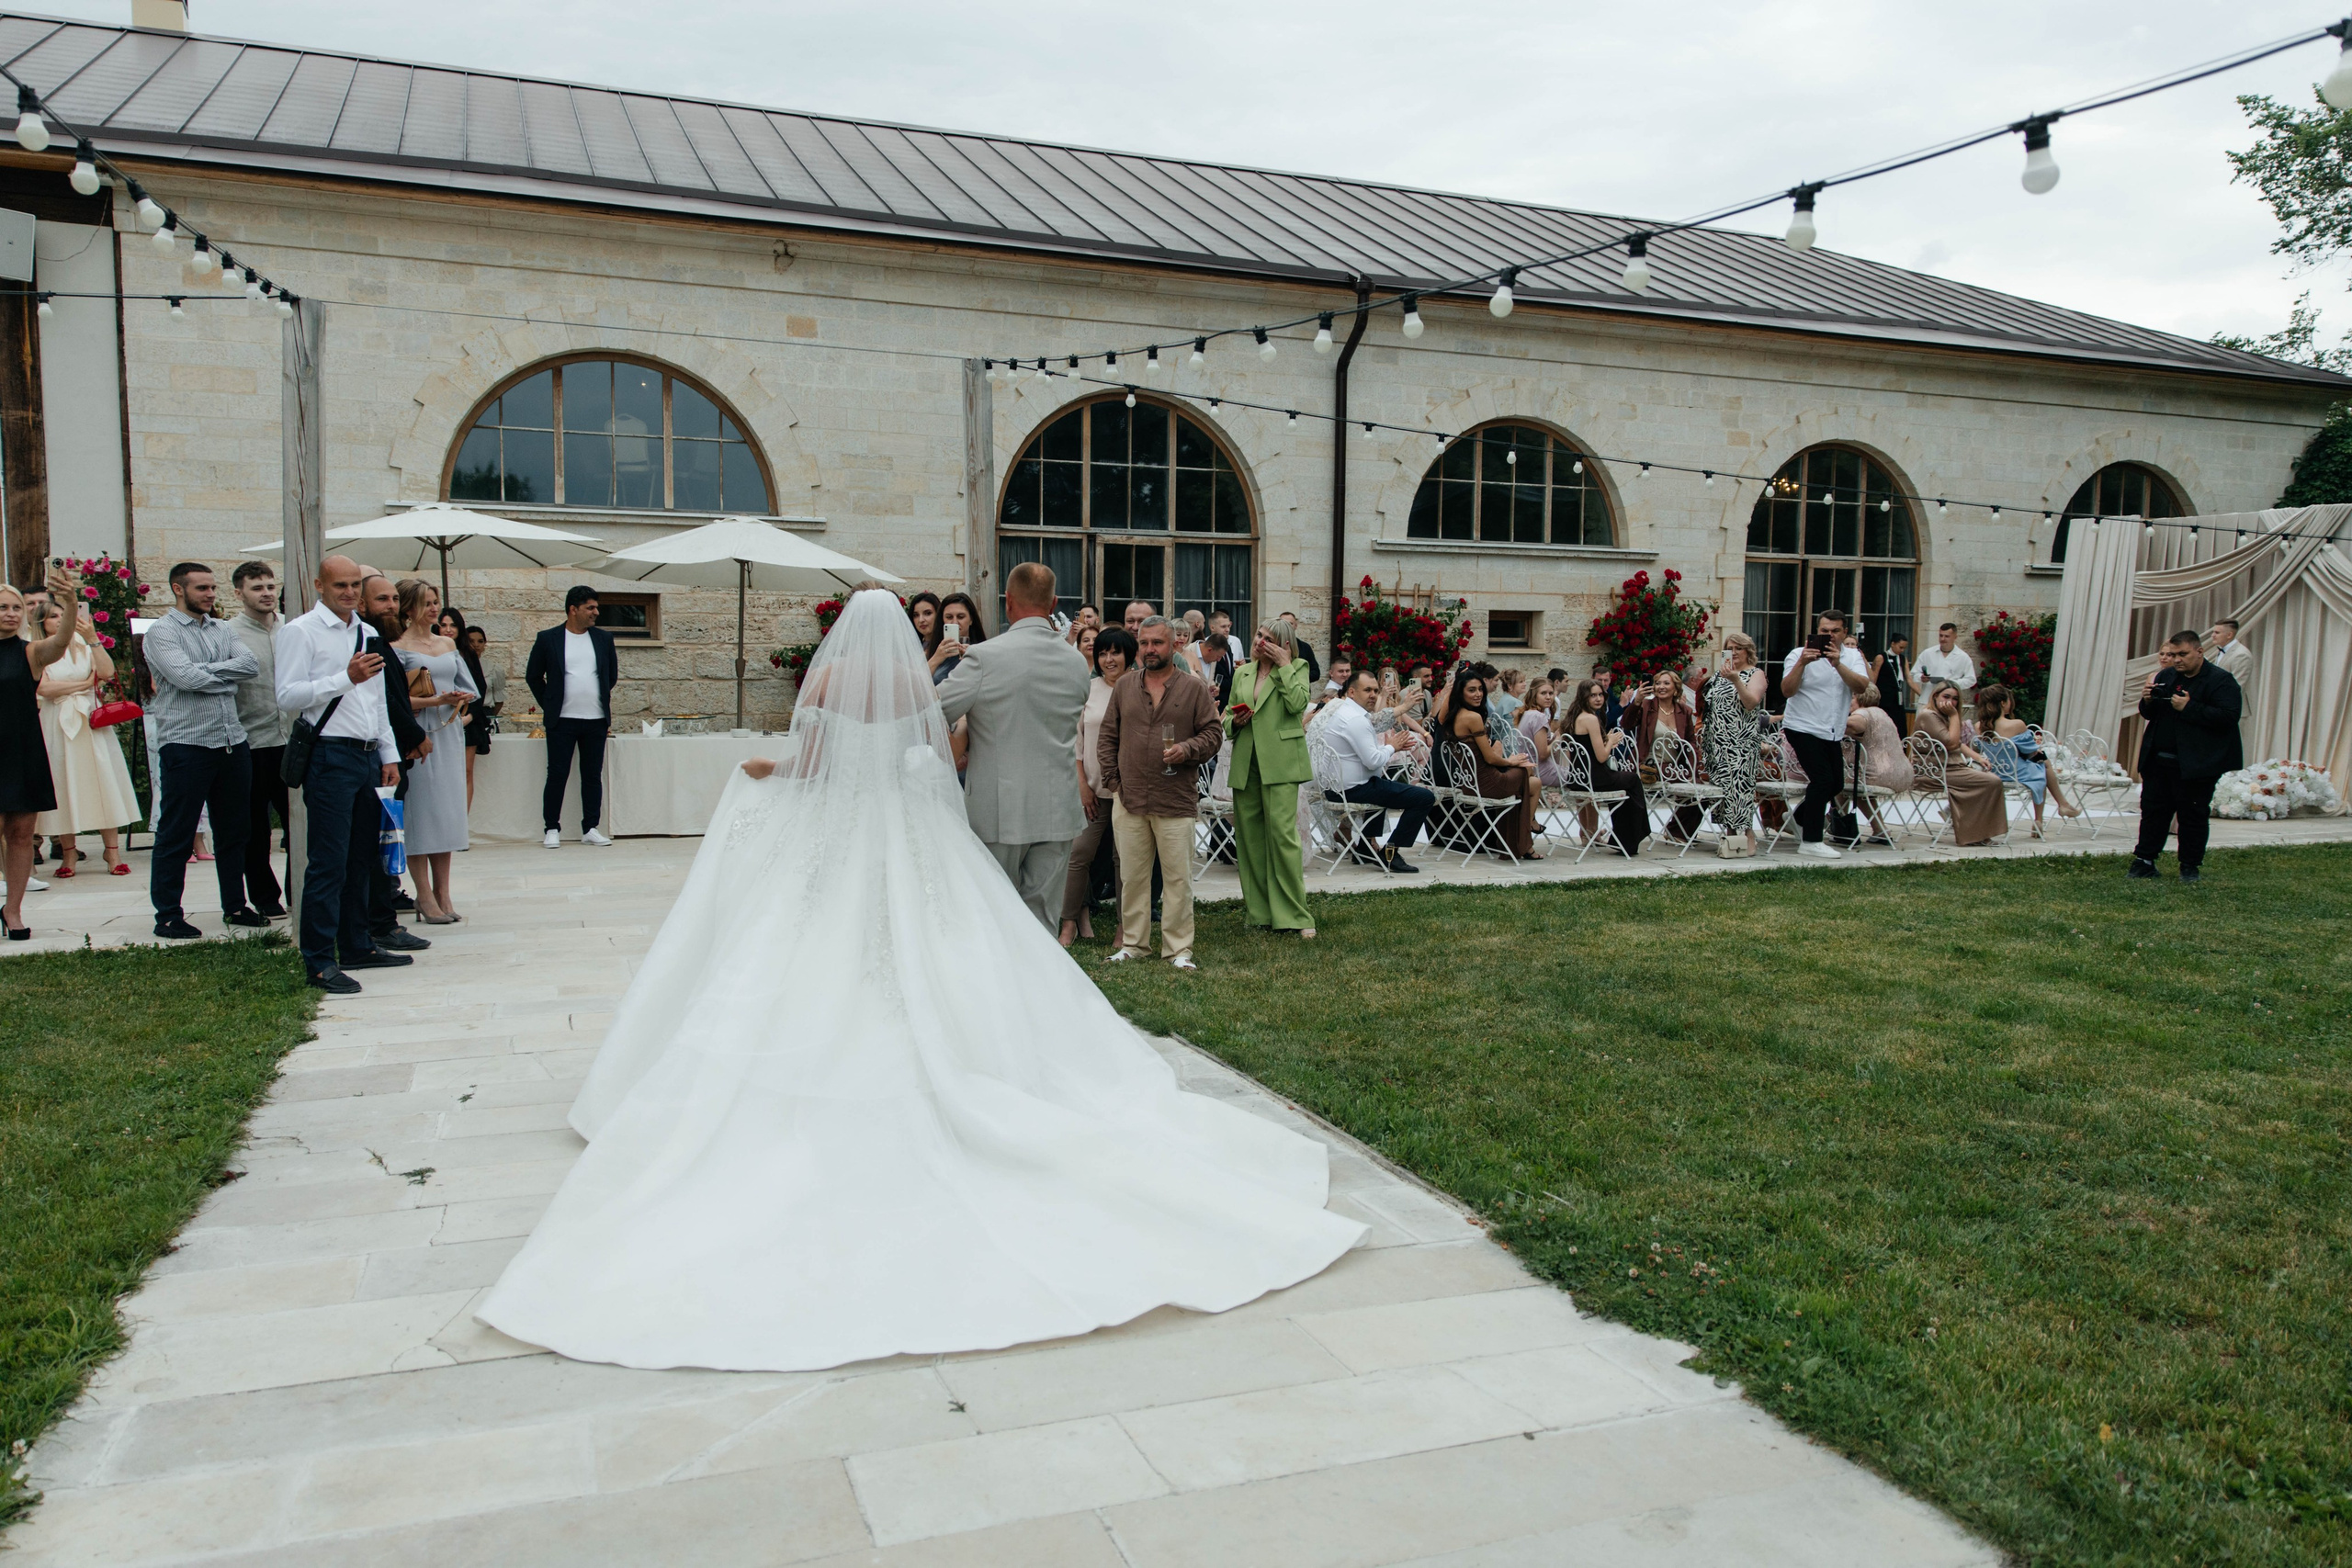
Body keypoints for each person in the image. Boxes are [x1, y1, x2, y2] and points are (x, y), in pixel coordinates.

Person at [475, 588, 1361, 1371]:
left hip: (834, 841)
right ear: (900, 633)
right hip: (905, 831)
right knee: (939, 948)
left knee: (801, 959)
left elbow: (814, 766)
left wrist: (769, 769)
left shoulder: (821, 691)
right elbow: (931, 764)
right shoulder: (915, 689)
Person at [276, 556, 414, 993]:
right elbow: (287, 695)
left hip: (367, 754)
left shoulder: (368, 632)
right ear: (320, 585)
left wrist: (389, 754)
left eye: (356, 585)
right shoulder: (300, 631)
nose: (350, 593)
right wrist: (343, 677)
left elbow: (377, 703)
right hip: (329, 755)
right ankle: (318, 960)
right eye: (341, 586)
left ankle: (357, 944)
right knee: (328, 861)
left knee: (362, 858)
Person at [936, 560, 1092, 928]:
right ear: (1054, 604)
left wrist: (965, 725)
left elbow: (931, 709)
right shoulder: (1075, 662)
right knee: (1042, 918)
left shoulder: (985, 656)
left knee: (993, 915)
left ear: (1008, 603)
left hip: (998, 806)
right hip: (1058, 805)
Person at [143, 562, 264, 941]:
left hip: (232, 741)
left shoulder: (223, 628)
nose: (211, 594)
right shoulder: (161, 632)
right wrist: (222, 679)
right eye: (202, 589)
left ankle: (235, 905)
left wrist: (210, 675)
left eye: (213, 588)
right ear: (178, 590)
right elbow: (184, 677)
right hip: (186, 744)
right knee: (176, 832)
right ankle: (168, 915)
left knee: (235, 831)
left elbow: (250, 665)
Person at [1097, 616, 1223, 967]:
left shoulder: (1193, 688)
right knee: (1132, 878)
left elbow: (1214, 735)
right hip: (1130, 798)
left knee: (1177, 880)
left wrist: (1187, 750)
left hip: (1175, 799)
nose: (1149, 649)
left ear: (1174, 646)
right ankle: (1134, 945)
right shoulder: (1124, 686)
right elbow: (1107, 737)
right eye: (1144, 642)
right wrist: (1113, 783)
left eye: (1158, 643)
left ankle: (1179, 951)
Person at [391, 580, 480, 922]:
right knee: (421, 813)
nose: (434, 609)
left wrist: (459, 699)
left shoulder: (447, 643)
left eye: (436, 601)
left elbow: (468, 686)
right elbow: (394, 698)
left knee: (445, 812)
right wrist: (435, 700)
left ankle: (444, 891)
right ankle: (423, 894)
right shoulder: (397, 646)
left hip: (448, 731)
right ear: (409, 608)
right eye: (426, 603)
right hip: (418, 733)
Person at [2, 567, 83, 937]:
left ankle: (13, 911)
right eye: (2, 607)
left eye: (16, 607)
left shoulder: (30, 652)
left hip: (21, 750)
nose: (10, 613)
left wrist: (69, 602)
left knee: (20, 833)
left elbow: (62, 641)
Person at [34, 596, 139, 879]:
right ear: (42, 623)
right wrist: (83, 683)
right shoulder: (37, 650)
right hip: (57, 721)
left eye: (63, 615)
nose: (60, 620)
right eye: (53, 616)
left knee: (103, 780)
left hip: (90, 720)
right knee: (63, 782)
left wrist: (93, 638)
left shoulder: (83, 644)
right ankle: (68, 852)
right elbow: (44, 688)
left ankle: (112, 851)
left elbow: (106, 673)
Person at [359, 572, 435, 951]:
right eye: (382, 600)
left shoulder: (381, 641)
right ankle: (378, 922)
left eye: (393, 599)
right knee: (376, 842)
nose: (391, 606)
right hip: (374, 756)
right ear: (362, 604)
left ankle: (384, 913)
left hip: (390, 753)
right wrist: (415, 736)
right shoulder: (367, 642)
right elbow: (384, 704)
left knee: (387, 838)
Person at [1226, 617, 1315, 937]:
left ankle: (1296, 915)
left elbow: (1297, 704)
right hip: (1246, 760)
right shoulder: (1242, 672)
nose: (1258, 641)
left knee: (1282, 837)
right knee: (1249, 840)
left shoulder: (1298, 668)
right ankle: (1260, 912)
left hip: (1280, 762)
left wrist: (1285, 666)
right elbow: (1225, 715)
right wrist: (1234, 723)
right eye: (1258, 634)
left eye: (1267, 638)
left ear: (1283, 646)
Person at [2131, 630, 2242, 882]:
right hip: (2159, 759)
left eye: (2182, 654)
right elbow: (2150, 714)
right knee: (2153, 812)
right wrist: (2147, 700)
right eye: (2173, 654)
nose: (2176, 660)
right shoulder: (2167, 675)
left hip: (2197, 764)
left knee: (2192, 816)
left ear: (2199, 652)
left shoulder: (2221, 681)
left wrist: (2190, 707)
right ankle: (2144, 861)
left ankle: (2189, 867)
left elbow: (2228, 718)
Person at [526, 586, 618, 849]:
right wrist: (550, 703)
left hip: (596, 719)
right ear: (573, 609)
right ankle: (552, 828)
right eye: (590, 607)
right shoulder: (548, 639)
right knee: (557, 774)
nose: (596, 612)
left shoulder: (603, 639)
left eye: (596, 607)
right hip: (562, 720)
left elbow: (611, 676)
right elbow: (533, 676)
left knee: (592, 775)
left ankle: (590, 827)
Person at [1060, 626, 1134, 947]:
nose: (1108, 659)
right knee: (1078, 854)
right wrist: (1082, 786)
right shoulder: (1087, 689)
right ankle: (1068, 923)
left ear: (1128, 655)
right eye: (1102, 652)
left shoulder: (1139, 687)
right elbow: (1075, 742)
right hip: (1092, 790)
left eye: (1115, 652)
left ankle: (1124, 928)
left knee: (1124, 861)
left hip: (1129, 792)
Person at [1780, 609, 1871, 860]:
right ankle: (1811, 841)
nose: (1829, 636)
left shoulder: (1852, 656)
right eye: (1824, 631)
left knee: (1836, 784)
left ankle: (1798, 817)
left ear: (1844, 633)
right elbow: (1787, 691)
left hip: (1832, 730)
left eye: (1835, 631)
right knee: (1821, 780)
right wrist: (1802, 664)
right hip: (1802, 726)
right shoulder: (1798, 654)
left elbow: (1862, 686)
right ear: (1816, 631)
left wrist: (1837, 663)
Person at [225, 561, 288, 914]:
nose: (266, 593)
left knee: (301, 823)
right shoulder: (227, 633)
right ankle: (266, 899)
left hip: (292, 741)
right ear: (239, 593)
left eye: (269, 586)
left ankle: (300, 890)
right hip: (250, 742)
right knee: (255, 830)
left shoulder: (291, 629)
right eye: (257, 587)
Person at [1326, 669, 1433, 872]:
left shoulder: (1346, 712)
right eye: (1367, 690)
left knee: (1384, 786)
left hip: (1338, 786)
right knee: (1424, 797)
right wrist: (1393, 746)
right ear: (1351, 692)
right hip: (1351, 790)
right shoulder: (1356, 720)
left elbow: (1376, 725)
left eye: (1375, 690)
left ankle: (1366, 848)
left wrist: (1403, 708)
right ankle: (1391, 853)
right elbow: (1374, 761)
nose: (1373, 695)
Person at [1439, 668, 1539, 859]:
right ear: (1461, 693)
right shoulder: (1473, 717)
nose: (1478, 694)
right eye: (1472, 690)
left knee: (1531, 780)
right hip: (1486, 782)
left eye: (1480, 689)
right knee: (1527, 774)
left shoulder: (1451, 716)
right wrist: (1511, 761)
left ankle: (1517, 842)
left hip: (1469, 783)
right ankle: (1523, 842)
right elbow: (1490, 758)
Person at [1911, 680, 2008, 846]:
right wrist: (1954, 715)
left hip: (1951, 768)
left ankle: (1976, 831)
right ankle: (1974, 833)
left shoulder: (1941, 716)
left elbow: (1958, 744)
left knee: (1988, 779)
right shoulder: (1928, 715)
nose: (1951, 702)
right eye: (1946, 696)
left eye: (1955, 699)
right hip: (1935, 771)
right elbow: (1951, 742)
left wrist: (1978, 758)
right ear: (1935, 697)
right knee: (1991, 781)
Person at [1974, 683, 2080, 837]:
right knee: (2043, 764)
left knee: (2040, 764)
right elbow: (2031, 752)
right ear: (2003, 703)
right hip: (2015, 771)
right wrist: (2041, 754)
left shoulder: (1979, 726)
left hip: (1993, 771)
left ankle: (2061, 806)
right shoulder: (2016, 724)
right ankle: (2048, 813)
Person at [1701, 634, 1769, 857]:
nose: (1735, 652)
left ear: (1748, 651)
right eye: (1731, 648)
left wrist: (1736, 680)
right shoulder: (1719, 676)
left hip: (1741, 743)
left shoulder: (1755, 674)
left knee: (1740, 788)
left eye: (1739, 648)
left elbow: (1750, 703)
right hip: (1717, 742)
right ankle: (1731, 835)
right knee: (1723, 791)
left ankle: (1748, 833)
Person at [1566, 676, 1649, 854]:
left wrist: (1606, 740)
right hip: (1594, 777)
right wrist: (1610, 741)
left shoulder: (1574, 716)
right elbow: (1602, 757)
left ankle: (1623, 838)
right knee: (1633, 780)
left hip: (1578, 776)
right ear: (1584, 697)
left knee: (1626, 783)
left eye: (1601, 695)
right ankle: (1630, 838)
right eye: (1593, 696)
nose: (1598, 699)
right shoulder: (1590, 719)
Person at [1845, 689, 1910, 843]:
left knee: (1844, 782)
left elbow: (1856, 724)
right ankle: (1880, 830)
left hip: (1881, 775)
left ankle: (1836, 820)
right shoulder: (1882, 714)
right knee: (1851, 779)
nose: (1848, 701)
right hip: (1902, 773)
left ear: (1859, 697)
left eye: (1851, 697)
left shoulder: (1862, 714)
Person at [455, 620, 497, 808]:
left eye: (453, 626)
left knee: (466, 771)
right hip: (442, 717)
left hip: (473, 717)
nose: (476, 644)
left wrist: (470, 715)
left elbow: (480, 690)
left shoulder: (474, 660)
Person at [2207, 617, 2255, 755]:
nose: (2212, 635)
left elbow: (2237, 686)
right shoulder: (2221, 651)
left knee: (2231, 751)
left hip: (2233, 710)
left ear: (2229, 635)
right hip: (2217, 710)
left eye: (2217, 632)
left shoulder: (2241, 654)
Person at [927, 591, 984, 685]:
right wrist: (936, 658)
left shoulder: (980, 651)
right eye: (949, 617)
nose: (955, 622)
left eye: (960, 617)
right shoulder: (936, 652)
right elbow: (918, 686)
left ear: (971, 620)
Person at [1911, 622, 1975, 698]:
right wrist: (1921, 678)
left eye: (1947, 636)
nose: (1942, 639)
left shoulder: (1963, 657)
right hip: (1928, 699)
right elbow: (1913, 674)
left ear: (1955, 637)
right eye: (1941, 635)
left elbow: (1971, 680)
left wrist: (1952, 683)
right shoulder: (1927, 653)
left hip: (1949, 700)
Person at [1873, 633, 1913, 736]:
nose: (1902, 650)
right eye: (1900, 647)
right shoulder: (1881, 657)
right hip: (1884, 697)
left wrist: (1921, 693)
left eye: (1904, 648)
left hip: (1897, 698)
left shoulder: (1903, 659)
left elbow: (1909, 679)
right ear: (1892, 644)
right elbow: (1874, 678)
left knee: (1900, 728)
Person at [907, 591, 943, 656]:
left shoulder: (946, 647)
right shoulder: (911, 647)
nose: (921, 620)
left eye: (928, 613)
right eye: (916, 615)